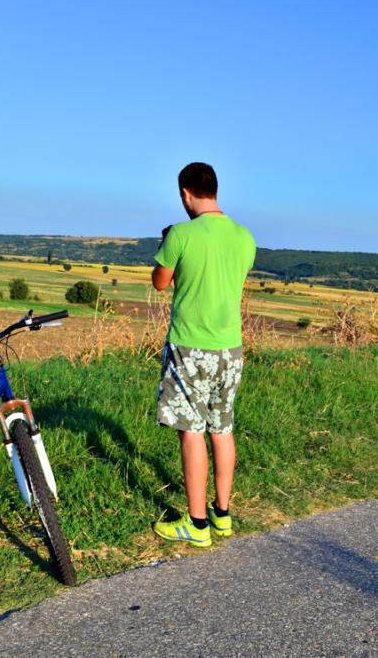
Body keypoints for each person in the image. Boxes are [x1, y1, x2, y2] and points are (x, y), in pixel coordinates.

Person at [151, 162, 256, 547]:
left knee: (191, 431)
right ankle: (222, 515)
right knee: (222, 429)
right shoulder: (245, 237)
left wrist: (166, 248)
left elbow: (160, 283)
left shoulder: (181, 234)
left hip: (190, 347)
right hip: (230, 348)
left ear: (185, 193)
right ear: (215, 190)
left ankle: (196, 525)